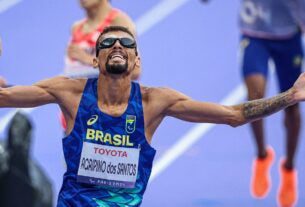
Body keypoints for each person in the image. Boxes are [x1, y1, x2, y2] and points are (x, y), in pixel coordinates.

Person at [1, 26, 305, 207]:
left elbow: (234, 115)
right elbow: (5, 97)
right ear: (95, 58)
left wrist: (290, 96)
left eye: (127, 43)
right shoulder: (70, 92)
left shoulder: (154, 101)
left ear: (136, 60)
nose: (117, 45)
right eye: (107, 43)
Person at [239, 0, 305, 206]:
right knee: (255, 97)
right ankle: (262, 156)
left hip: (288, 36)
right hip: (254, 34)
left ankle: (289, 169)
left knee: (293, 103)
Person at [64, 0, 140, 80]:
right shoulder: (76, 28)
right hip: (79, 90)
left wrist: (88, 59)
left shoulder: (118, 22)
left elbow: (134, 71)